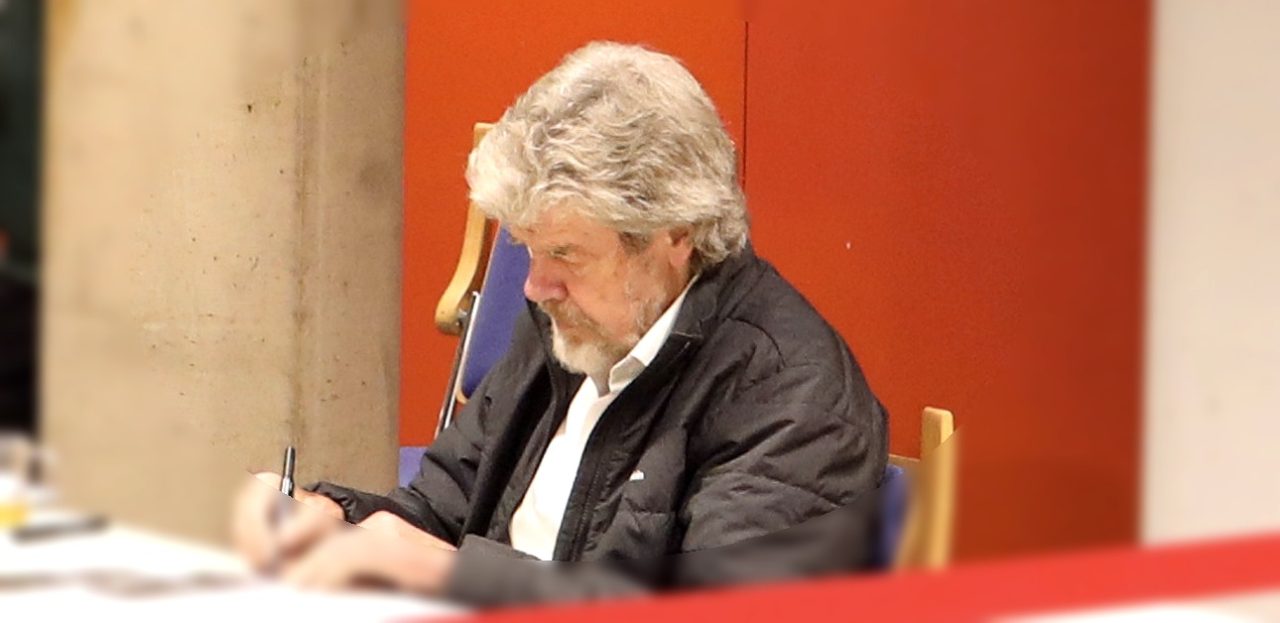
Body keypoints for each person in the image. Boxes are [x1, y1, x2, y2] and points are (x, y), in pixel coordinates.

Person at [232, 41, 887, 607]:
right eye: (528, 248)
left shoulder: (794, 402)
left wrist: (453, 573)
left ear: (676, 235)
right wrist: (335, 521)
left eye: (566, 254)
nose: (533, 286)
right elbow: (440, 510)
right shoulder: (571, 325)